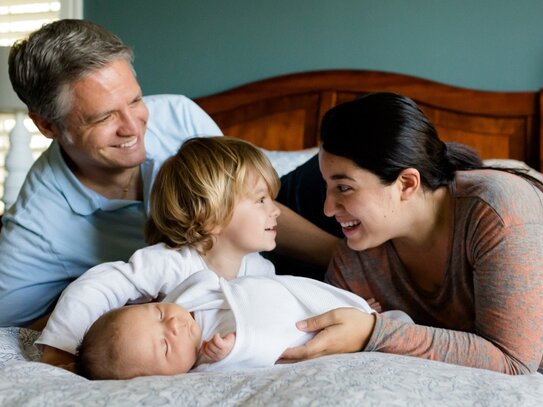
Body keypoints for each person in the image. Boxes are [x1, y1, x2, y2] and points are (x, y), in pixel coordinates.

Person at [0, 20, 338, 330]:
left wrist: (348, 259)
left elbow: (248, 203)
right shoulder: (36, 228)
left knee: (345, 164)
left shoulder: (178, 115)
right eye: (104, 118)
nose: (133, 128)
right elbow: (15, 330)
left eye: (134, 101)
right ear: (47, 125)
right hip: (206, 285)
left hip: (263, 236)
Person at [39, 136, 409, 378]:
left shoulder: (259, 267)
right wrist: (60, 351)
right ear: (211, 214)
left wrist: (349, 309)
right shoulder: (171, 262)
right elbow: (100, 285)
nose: (276, 211)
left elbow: (286, 308)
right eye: (261, 200)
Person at [280, 93, 543, 375]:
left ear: (406, 183)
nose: (328, 209)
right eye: (326, 187)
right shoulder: (354, 264)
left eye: (344, 188)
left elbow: (515, 361)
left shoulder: (497, 209)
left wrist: (373, 332)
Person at [77, 269, 404, 379]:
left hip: (295, 300)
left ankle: (361, 313)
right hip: (300, 333)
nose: (175, 326)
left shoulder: (191, 296)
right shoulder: (206, 362)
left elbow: (217, 283)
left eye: (159, 314)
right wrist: (231, 351)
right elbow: (264, 357)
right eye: (164, 346)